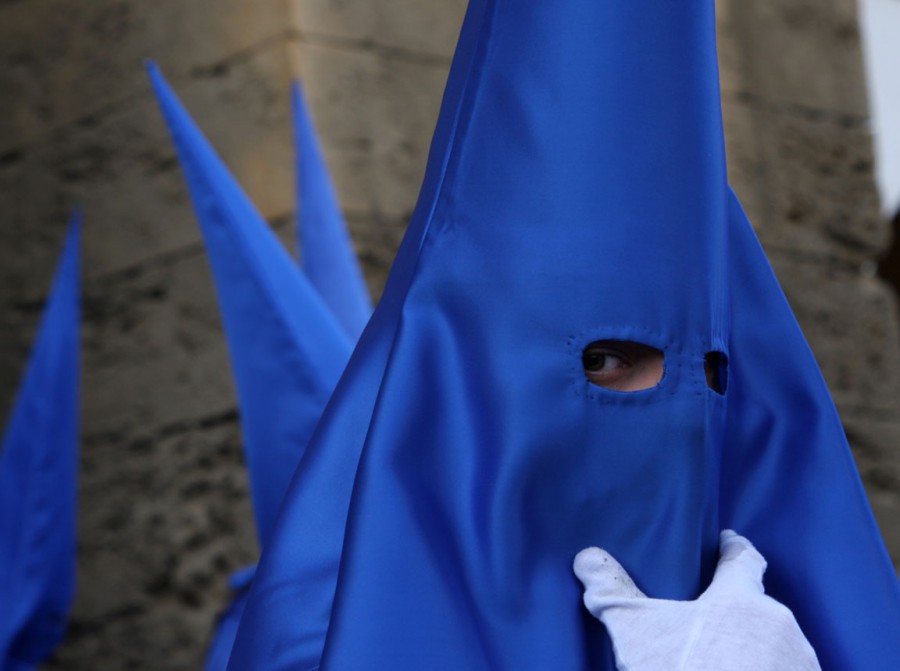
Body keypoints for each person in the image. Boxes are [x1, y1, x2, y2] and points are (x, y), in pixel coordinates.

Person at [228, 1, 900, 668]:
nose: (686, 416)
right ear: (464, 379)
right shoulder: (314, 642)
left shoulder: (776, 626)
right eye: (605, 360)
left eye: (714, 373)